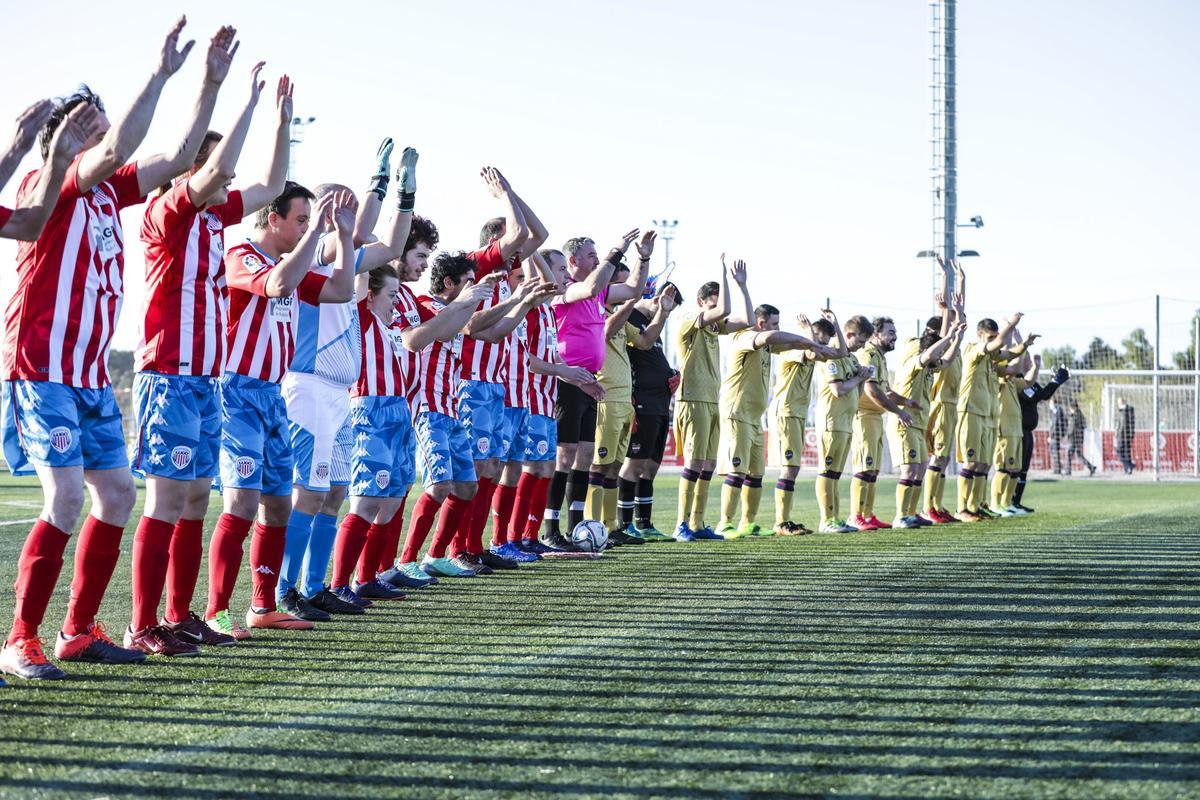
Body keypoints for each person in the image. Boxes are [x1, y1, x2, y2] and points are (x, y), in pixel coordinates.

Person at [0, 18, 236, 681]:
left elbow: (179, 151)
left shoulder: (106, 193)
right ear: (61, 138)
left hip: (88, 374)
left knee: (117, 496)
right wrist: (158, 74)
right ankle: (21, 639)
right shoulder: (57, 180)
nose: (101, 128)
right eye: (87, 120)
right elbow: (119, 148)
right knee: (69, 499)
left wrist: (209, 84)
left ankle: (77, 631)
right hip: (41, 368)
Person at [127, 62, 292, 655]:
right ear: (193, 170)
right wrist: (242, 101)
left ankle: (179, 614)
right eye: (219, 169)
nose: (231, 181)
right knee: (168, 499)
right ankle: (141, 623)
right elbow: (221, 169)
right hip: (168, 376)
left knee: (197, 497)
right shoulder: (168, 212)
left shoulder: (213, 219)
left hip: (205, 380)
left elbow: (272, 186)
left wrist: (282, 118)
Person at [205, 184, 357, 639]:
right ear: (273, 220)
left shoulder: (287, 263)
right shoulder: (241, 254)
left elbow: (341, 289)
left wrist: (344, 238)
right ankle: (216, 611)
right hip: (237, 393)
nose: (307, 228)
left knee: (277, 504)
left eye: (310, 221)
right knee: (242, 502)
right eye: (300, 220)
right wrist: (319, 236)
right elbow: (278, 285)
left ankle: (263, 605)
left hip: (272, 395)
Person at [281, 145, 419, 615]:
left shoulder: (343, 260)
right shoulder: (315, 252)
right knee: (312, 490)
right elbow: (354, 234)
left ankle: (317, 587)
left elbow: (392, 248)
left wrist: (401, 193)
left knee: (335, 492)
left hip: (338, 390)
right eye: (336, 205)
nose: (348, 217)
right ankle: (285, 591)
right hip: (311, 383)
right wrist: (368, 191)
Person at [543, 230, 651, 547]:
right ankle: (550, 530)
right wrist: (617, 251)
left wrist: (642, 257)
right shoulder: (564, 291)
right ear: (574, 261)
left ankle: (577, 528)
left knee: (584, 455)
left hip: (590, 382)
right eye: (592, 255)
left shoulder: (599, 294)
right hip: (566, 380)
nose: (597, 259)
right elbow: (590, 286)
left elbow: (634, 288)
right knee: (563, 457)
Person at [397, 255, 501, 578]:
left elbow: (475, 327)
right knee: (440, 485)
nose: (474, 288)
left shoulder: (456, 312)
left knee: (467, 486)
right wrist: (471, 301)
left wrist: (519, 300)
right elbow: (443, 333)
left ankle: (435, 555)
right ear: (449, 284)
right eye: (468, 281)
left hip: (451, 409)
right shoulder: (427, 305)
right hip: (427, 407)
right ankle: (407, 559)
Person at [717, 300, 826, 538]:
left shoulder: (767, 346)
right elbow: (769, 339)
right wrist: (805, 339)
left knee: (756, 473)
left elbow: (787, 344)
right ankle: (724, 523)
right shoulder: (745, 337)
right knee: (737, 470)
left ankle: (748, 522)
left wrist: (811, 343)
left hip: (755, 416)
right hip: (737, 413)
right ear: (761, 323)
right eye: (774, 324)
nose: (777, 328)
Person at [584, 248, 665, 543]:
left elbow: (644, 341)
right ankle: (592, 526)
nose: (629, 284)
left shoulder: (625, 318)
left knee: (615, 466)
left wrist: (664, 312)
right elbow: (606, 330)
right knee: (599, 464)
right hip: (604, 398)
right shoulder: (598, 311)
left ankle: (610, 528)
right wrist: (632, 300)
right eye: (624, 279)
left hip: (624, 401)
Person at [673, 258, 752, 541]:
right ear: (700, 302)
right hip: (692, 399)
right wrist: (723, 274)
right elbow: (726, 310)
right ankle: (681, 524)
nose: (718, 314)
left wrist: (742, 286)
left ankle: (698, 524)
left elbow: (748, 321)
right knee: (693, 464)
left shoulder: (714, 328)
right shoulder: (687, 321)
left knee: (707, 465)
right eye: (712, 305)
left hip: (710, 401)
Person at [616, 281, 681, 541]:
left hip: (660, 404)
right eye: (666, 307)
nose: (666, 313)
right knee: (634, 464)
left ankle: (645, 523)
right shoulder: (629, 316)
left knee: (651, 466)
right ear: (656, 299)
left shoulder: (654, 325)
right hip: (641, 401)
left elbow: (652, 359)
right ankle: (624, 524)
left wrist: (670, 374)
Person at [888, 308, 964, 528]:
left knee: (921, 466)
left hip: (917, 422)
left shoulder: (931, 367)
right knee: (910, 468)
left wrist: (956, 338)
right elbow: (930, 355)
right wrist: (948, 336)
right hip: (904, 422)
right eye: (938, 351)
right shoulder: (916, 362)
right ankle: (901, 515)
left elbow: (947, 361)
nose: (940, 356)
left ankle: (911, 512)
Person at [954, 313, 1034, 521]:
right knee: (970, 463)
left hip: (988, 416)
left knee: (982, 464)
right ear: (980, 335)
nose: (994, 342)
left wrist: (1024, 344)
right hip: (970, 412)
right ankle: (962, 508)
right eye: (990, 337)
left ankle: (976, 506)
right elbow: (999, 344)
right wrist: (1013, 325)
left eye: (995, 337)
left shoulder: (991, 361)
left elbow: (1014, 366)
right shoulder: (974, 350)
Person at [771, 311, 845, 535]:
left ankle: (784, 520)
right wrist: (809, 334)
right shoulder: (793, 348)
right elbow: (812, 352)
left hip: (797, 412)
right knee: (789, 468)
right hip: (786, 410)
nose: (821, 344)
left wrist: (836, 324)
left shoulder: (814, 347)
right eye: (819, 338)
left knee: (793, 468)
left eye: (823, 340)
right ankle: (781, 522)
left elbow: (841, 352)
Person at [848, 316, 917, 531]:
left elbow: (884, 390)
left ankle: (867, 515)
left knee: (873, 470)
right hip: (864, 416)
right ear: (876, 335)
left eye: (895, 332)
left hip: (876, 417)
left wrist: (905, 402)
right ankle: (855, 516)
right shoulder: (867, 354)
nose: (894, 336)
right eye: (890, 332)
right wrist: (898, 412)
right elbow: (871, 389)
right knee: (864, 467)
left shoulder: (879, 356)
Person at [0, 100, 101, 241]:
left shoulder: (107, 187)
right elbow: (113, 153)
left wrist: (19, 148)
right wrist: (15, 149)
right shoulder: (35, 179)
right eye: (101, 137)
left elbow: (27, 228)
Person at [813, 316, 874, 532]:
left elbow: (854, 395)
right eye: (861, 341)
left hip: (846, 422)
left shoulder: (852, 360)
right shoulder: (831, 358)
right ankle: (826, 520)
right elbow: (837, 390)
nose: (863, 346)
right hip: (831, 421)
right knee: (827, 471)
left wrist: (862, 378)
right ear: (848, 335)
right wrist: (858, 379)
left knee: (835, 474)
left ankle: (835, 518)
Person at [1011, 358, 1068, 511]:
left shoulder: (1030, 382)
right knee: (1015, 468)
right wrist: (1055, 381)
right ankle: (1007, 502)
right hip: (1017, 430)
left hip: (1028, 431)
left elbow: (1043, 394)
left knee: (1024, 469)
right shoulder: (1017, 381)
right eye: (1027, 360)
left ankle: (1016, 502)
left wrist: (1056, 382)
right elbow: (1034, 397)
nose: (1030, 363)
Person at [991, 340, 1039, 516]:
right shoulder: (999, 379)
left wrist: (1036, 366)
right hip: (1004, 428)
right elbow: (1016, 367)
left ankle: (1007, 503)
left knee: (1014, 469)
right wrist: (1022, 345)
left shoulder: (1012, 382)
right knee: (1002, 468)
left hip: (1015, 430)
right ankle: (996, 504)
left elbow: (1027, 382)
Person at [1067, 398, 1096, 476]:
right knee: (1078, 454)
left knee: (1069, 453)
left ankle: (1068, 470)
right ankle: (1091, 467)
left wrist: (1068, 435)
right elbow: (1084, 425)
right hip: (1078, 437)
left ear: (1073, 407)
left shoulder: (1076, 416)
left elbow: (1072, 427)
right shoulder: (1079, 414)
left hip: (1075, 438)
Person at [1048, 396, 1069, 475]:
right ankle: (1058, 467)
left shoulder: (1056, 410)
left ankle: (1058, 468)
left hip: (1056, 434)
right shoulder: (1057, 410)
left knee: (1054, 451)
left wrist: (1052, 435)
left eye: (1050, 402)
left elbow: (1055, 423)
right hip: (1057, 434)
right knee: (1054, 450)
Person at [1115, 397, 1136, 475]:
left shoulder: (1126, 411)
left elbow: (1123, 425)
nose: (1118, 404)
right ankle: (1128, 467)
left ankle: (1129, 466)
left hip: (1124, 435)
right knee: (1126, 452)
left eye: (1119, 403)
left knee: (1120, 451)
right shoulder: (1123, 411)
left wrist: (1118, 433)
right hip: (1127, 434)